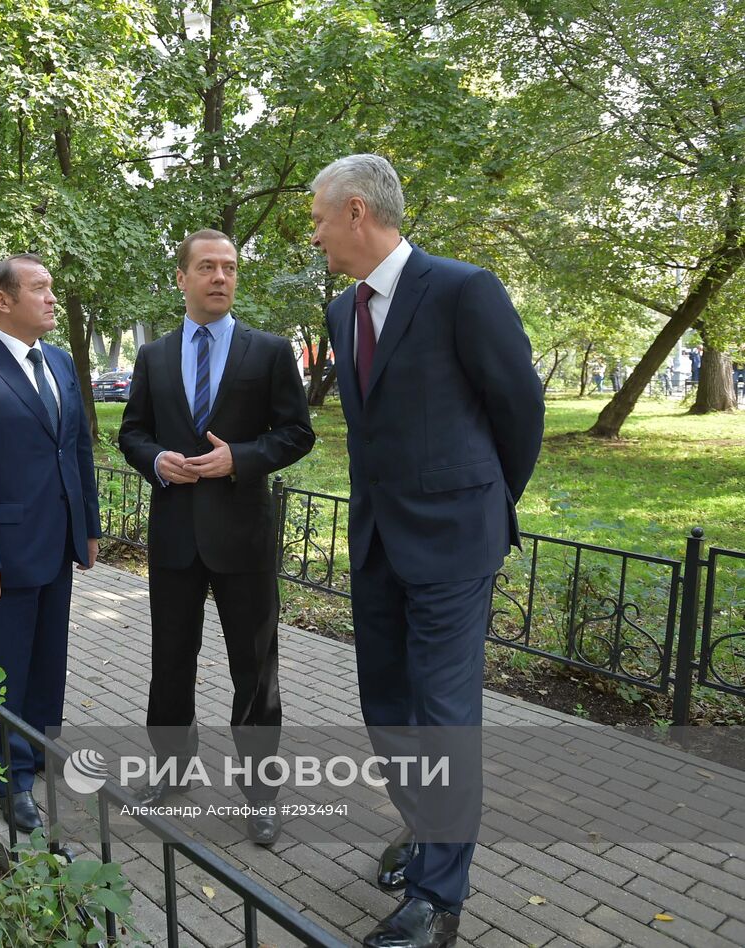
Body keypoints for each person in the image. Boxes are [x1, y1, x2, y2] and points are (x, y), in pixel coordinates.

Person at [311, 154, 544, 948]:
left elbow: (519, 407)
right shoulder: (343, 313)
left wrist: (481, 502)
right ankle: (424, 830)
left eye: (315, 218)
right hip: (378, 541)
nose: (313, 235)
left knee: (446, 720)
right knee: (386, 709)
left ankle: (438, 899)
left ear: (354, 212)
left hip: (453, 544)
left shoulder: (462, 290)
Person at [118, 229, 315, 847]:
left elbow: (296, 433)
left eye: (229, 267)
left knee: (254, 670)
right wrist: (156, 461)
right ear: (181, 278)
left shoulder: (270, 351)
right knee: (170, 663)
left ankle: (260, 793)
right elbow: (132, 432)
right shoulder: (152, 356)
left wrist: (242, 459)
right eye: (207, 267)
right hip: (175, 534)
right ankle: (172, 769)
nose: (221, 277)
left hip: (243, 538)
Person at [0, 254, 101, 834]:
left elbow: (76, 450)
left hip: (55, 545)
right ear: (3, 301)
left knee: (48, 659)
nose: (52, 298)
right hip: (1, 555)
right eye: (40, 289)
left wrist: (90, 528)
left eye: (51, 288)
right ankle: (7, 775)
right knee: (2, 668)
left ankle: (39, 747)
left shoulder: (57, 361)